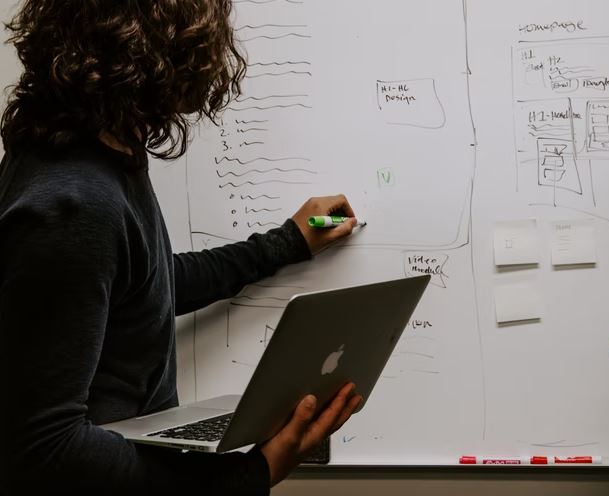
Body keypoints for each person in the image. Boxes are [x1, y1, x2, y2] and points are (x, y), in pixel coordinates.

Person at [0, 1, 362, 494]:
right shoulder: (73, 204)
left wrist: (286, 243)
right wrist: (250, 475)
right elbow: (44, 449)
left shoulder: (97, 152)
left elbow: (145, 286)